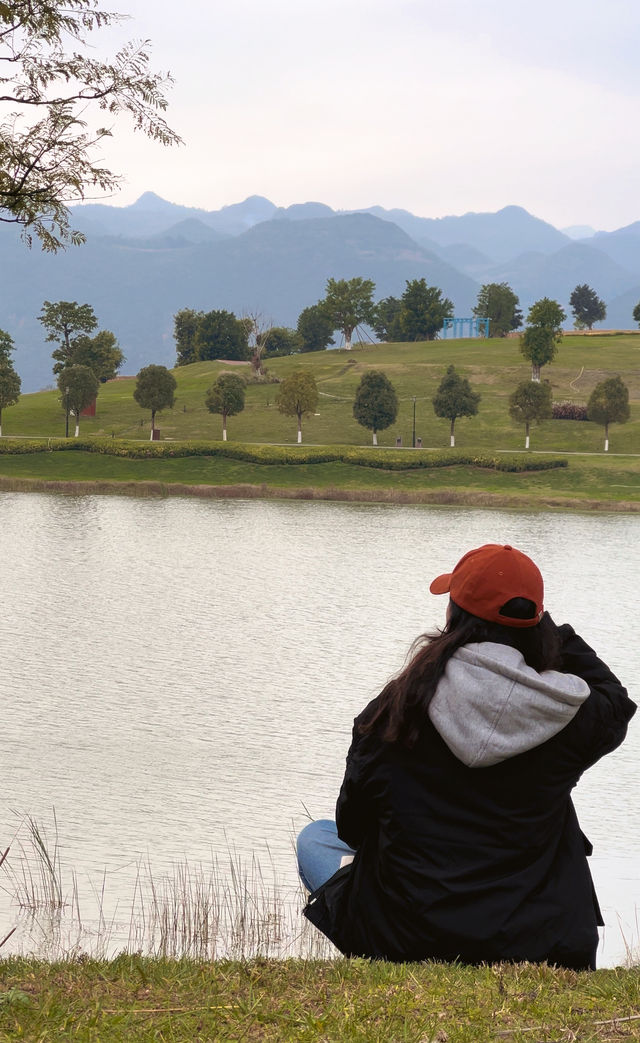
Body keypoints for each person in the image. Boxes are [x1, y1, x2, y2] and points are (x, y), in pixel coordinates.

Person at [297, 543, 635, 969]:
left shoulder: (393, 711)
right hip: (538, 944)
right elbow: (615, 699)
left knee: (316, 838)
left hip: (405, 937)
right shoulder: (566, 717)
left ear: (452, 616)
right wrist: (550, 631)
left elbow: (353, 827)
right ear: (533, 624)